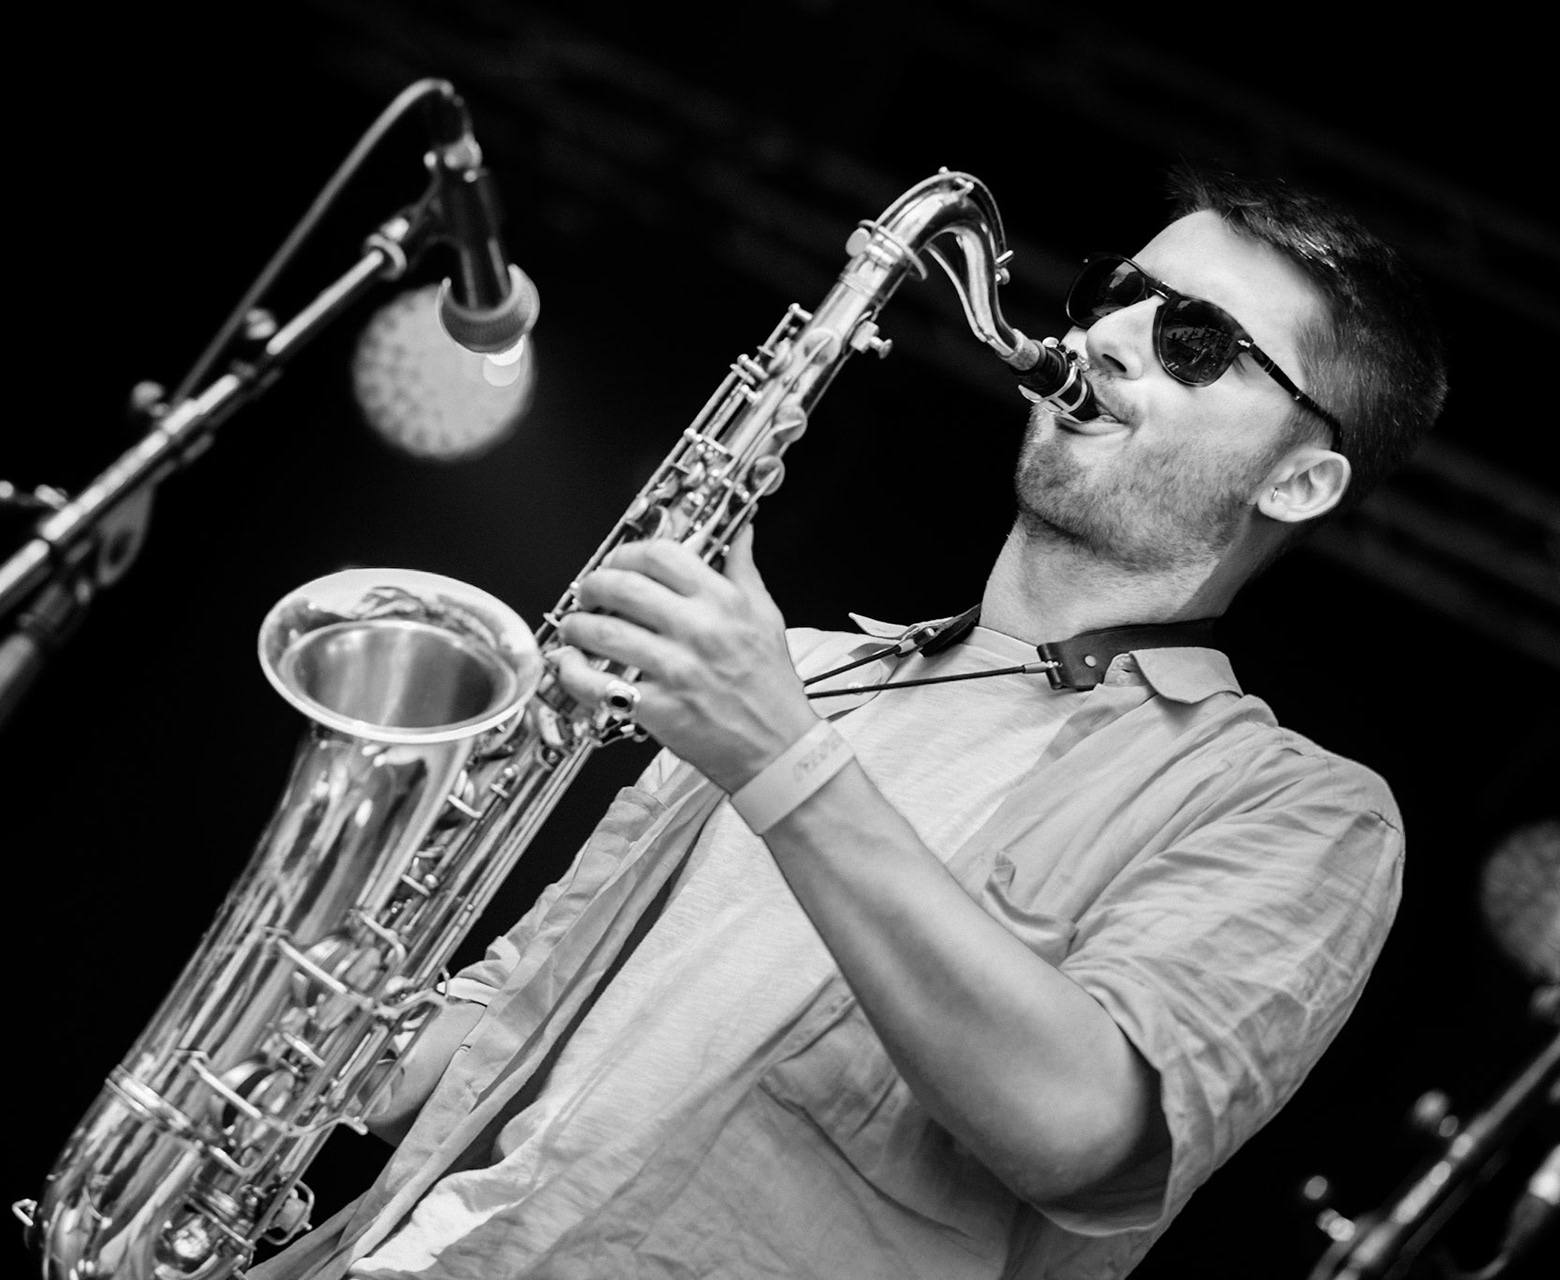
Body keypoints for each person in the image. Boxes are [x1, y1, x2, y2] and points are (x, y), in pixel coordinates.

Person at [250, 165, 1448, 1280]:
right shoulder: (811, 670)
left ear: (1297, 481)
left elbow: (1084, 1127)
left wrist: (777, 751)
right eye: (1118, 291)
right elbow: (509, 1028)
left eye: (1198, 342)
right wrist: (317, 1020)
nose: (1110, 334)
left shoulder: (1303, 807)